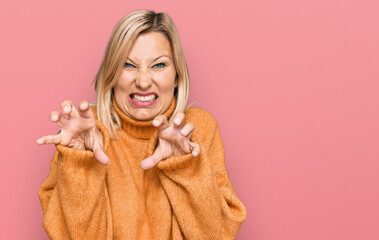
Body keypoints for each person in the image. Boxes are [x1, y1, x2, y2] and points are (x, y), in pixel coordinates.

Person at [37, 9, 247, 240]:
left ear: (177, 74)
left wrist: (185, 166)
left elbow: (217, 235)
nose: (143, 81)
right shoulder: (85, 133)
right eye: (128, 65)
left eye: (158, 65)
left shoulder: (197, 128)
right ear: (111, 74)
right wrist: (79, 164)